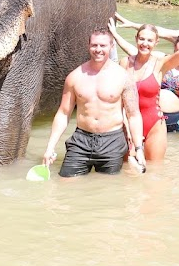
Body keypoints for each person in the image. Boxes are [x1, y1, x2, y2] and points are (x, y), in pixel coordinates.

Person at [42, 29, 145, 176]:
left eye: (103, 46)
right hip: (81, 140)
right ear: (88, 46)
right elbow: (64, 113)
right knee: (65, 182)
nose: (98, 50)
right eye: (94, 45)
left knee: (107, 189)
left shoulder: (123, 77)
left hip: (112, 141)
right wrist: (50, 147)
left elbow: (133, 115)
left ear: (111, 46)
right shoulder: (75, 76)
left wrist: (139, 149)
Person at [108, 19, 179, 160]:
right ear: (136, 39)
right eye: (141, 39)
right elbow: (118, 99)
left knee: (154, 173)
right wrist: (114, 34)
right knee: (128, 170)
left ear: (156, 43)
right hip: (128, 122)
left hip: (154, 124)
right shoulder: (125, 63)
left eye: (149, 40)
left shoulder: (160, 65)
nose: (145, 43)